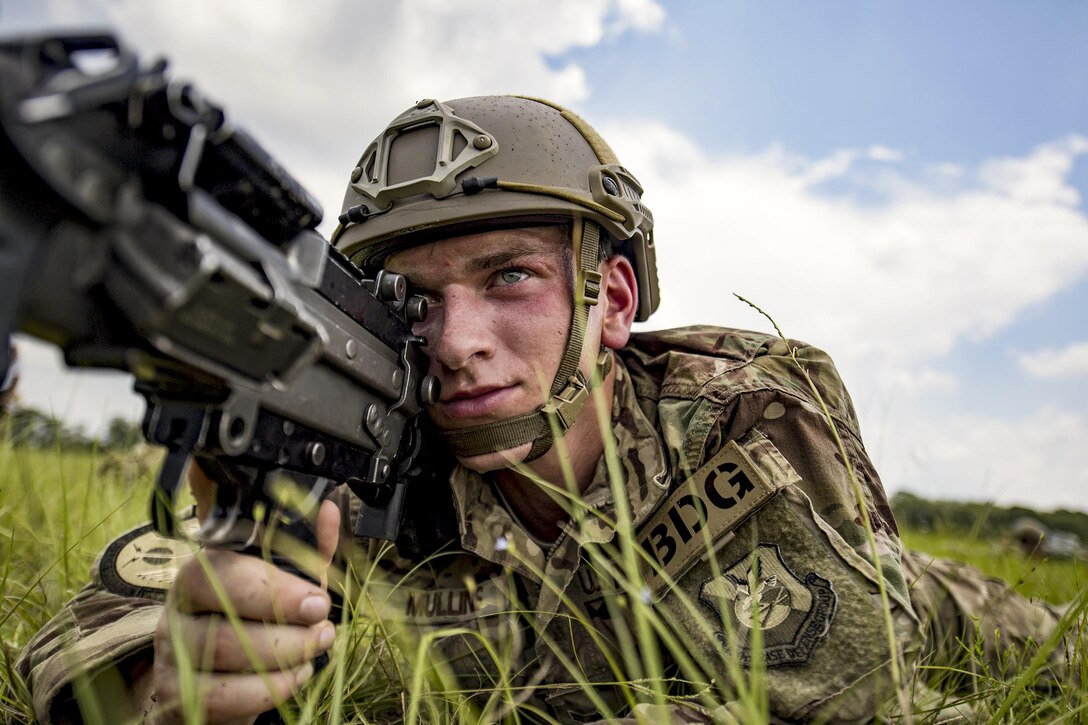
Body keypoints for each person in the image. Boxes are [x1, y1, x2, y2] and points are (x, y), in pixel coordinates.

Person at [17, 96, 1074, 724]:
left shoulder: (747, 418)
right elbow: (104, 619)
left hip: (931, 603)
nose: (458, 336)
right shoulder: (360, 447)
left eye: (510, 276)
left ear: (609, 300)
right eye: (413, 299)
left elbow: (840, 693)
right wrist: (170, 666)